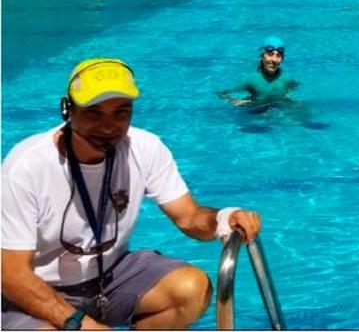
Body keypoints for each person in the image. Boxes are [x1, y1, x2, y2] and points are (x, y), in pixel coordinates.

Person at [1, 58, 262, 330]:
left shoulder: (145, 148)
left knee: (191, 289)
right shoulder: (26, 167)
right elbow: (12, 275)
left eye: (121, 113)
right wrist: (82, 325)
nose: (108, 126)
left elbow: (190, 217)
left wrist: (224, 218)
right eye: (93, 113)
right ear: (68, 109)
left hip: (110, 277)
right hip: (36, 291)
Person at [217, 37, 300, 109]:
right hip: (256, 114)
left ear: (282, 59)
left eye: (278, 55)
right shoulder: (251, 80)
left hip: (278, 112)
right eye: (270, 54)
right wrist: (233, 101)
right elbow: (221, 93)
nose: (274, 60)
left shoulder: (287, 79)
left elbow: (296, 89)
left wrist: (289, 95)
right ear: (262, 57)